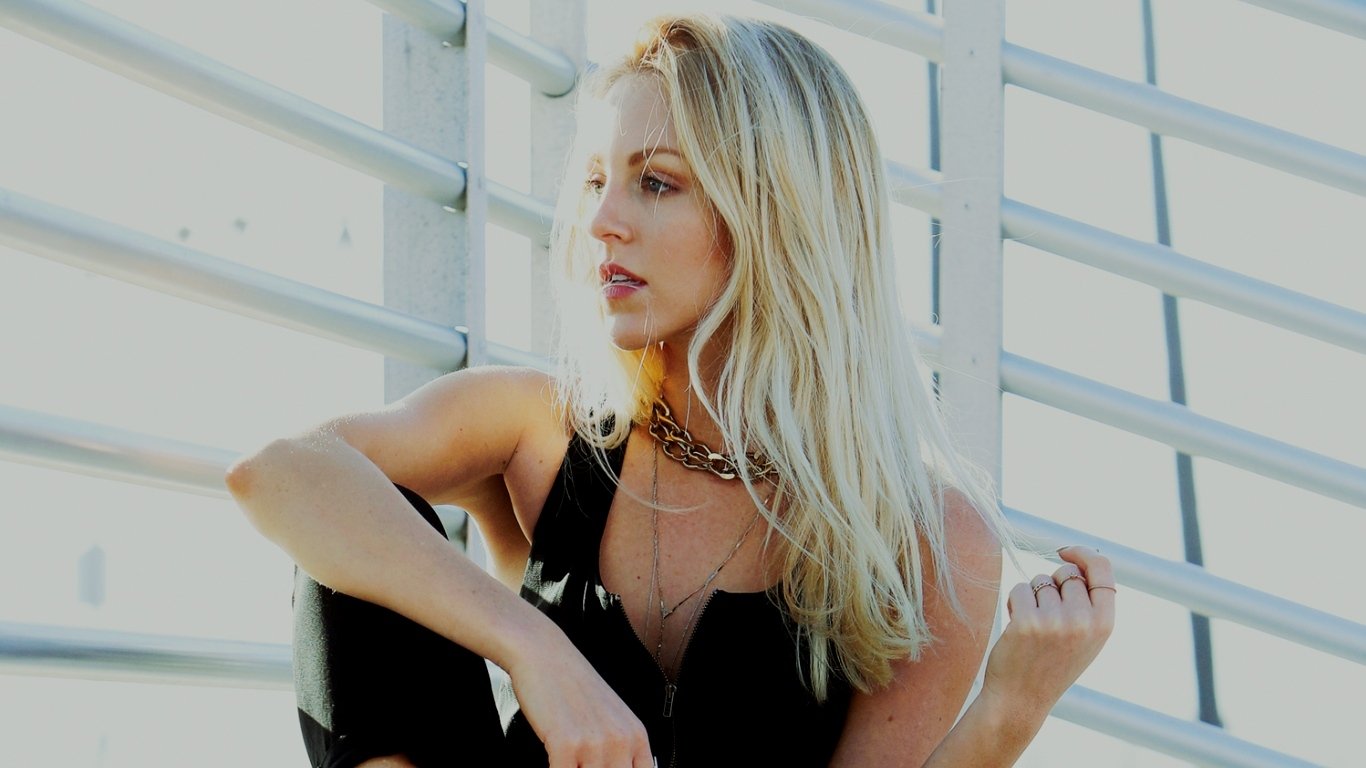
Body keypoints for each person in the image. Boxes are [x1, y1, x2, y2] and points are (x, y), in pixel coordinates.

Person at [226, 13, 1115, 768]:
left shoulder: (924, 542)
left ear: (776, 214)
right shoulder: (542, 430)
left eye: (656, 183)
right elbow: (275, 473)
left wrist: (1005, 718)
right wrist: (539, 655)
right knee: (356, 541)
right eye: (596, 181)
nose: (601, 220)